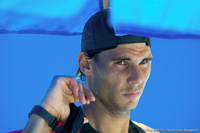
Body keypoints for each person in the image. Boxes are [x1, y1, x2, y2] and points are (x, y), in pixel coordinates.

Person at [21, 9, 158, 133]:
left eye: (144, 62)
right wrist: (46, 113)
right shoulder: (42, 129)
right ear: (86, 64)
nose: (138, 77)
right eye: (121, 63)